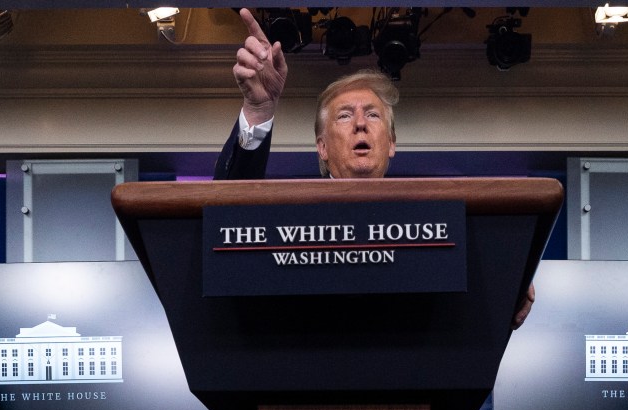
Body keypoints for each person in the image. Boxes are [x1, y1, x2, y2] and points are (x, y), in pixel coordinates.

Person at [213, 8, 534, 327]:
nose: (360, 125)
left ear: (391, 142)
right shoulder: (281, 220)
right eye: (344, 115)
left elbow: (479, 284)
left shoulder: (438, 224)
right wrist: (259, 109)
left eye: (373, 114)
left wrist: (509, 279)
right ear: (321, 147)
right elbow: (225, 227)